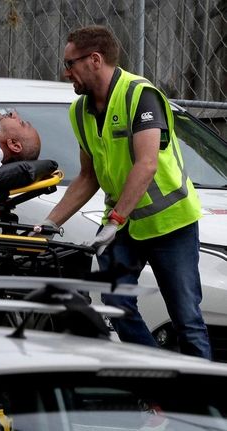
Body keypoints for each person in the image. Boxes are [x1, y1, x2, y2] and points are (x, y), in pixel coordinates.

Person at [38, 25, 211, 359]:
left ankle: (206, 404)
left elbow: (146, 165)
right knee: (116, 304)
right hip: (124, 225)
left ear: (94, 60)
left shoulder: (139, 95)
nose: (66, 72)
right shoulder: (80, 110)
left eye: (70, 63)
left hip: (169, 223)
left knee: (186, 318)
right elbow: (88, 177)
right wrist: (49, 222)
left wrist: (114, 221)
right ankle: (159, 380)